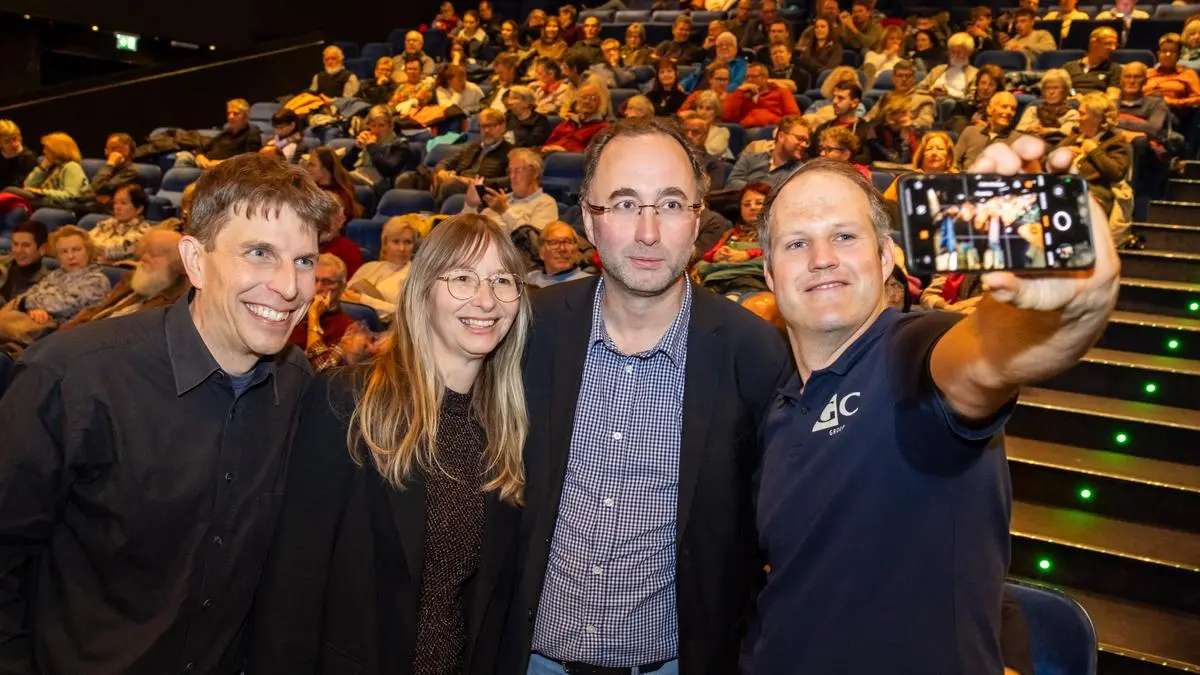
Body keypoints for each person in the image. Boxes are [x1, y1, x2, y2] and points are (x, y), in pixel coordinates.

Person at [747, 134, 1120, 672]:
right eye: (797, 244)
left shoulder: (913, 350)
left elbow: (988, 354)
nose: (822, 259)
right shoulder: (778, 407)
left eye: (844, 236)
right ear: (769, 274)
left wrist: (1062, 308)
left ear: (885, 258)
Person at [0, 153, 338, 673]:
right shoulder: (72, 379)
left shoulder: (300, 388)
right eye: (259, 253)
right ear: (196, 261)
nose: (290, 287)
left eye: (305, 261)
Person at [502, 115, 790, 675]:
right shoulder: (527, 332)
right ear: (589, 218)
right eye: (626, 204)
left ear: (698, 217)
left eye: (672, 204)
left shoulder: (754, 352)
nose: (649, 232)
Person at [247, 214, 531, 674]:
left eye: (502, 280)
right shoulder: (349, 401)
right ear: (422, 292)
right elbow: (292, 581)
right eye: (461, 277)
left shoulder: (509, 425)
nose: (486, 299)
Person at [62, 229, 191, 329]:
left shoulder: (178, 301)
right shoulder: (133, 279)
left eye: (153, 254)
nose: (144, 258)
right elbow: (100, 309)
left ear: (176, 264)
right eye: (144, 252)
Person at [8, 226, 110, 326]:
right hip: (39, 327)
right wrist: (33, 309)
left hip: (69, 335)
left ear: (88, 251)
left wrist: (26, 303)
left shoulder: (97, 280)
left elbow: (61, 305)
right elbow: (28, 294)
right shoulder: (56, 274)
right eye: (64, 252)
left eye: (76, 250)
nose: (70, 256)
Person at [1055, 92, 1132, 224]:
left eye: (1083, 114)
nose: (1078, 118)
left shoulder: (1115, 142)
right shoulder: (1073, 140)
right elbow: (1046, 162)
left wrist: (1093, 151)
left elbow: (1116, 172)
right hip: (1064, 191)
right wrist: (1063, 152)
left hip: (1094, 195)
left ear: (1099, 118)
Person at [287, 253, 356, 371]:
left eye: (327, 282)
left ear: (342, 287)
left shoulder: (349, 330)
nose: (318, 288)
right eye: (314, 280)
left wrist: (313, 318)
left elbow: (322, 370)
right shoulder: (288, 313)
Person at [462, 147, 559, 231]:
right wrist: (470, 206)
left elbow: (533, 241)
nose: (512, 176)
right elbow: (467, 232)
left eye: (518, 170)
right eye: (510, 171)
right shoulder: (500, 199)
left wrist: (505, 211)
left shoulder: (546, 203)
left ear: (535, 173)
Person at [342, 216, 418, 318]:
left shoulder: (415, 278)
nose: (402, 248)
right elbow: (344, 295)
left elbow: (405, 315)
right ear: (385, 244)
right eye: (396, 241)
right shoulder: (368, 267)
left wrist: (362, 299)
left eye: (407, 242)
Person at [342, 105, 412, 195]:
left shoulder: (400, 145)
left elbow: (387, 170)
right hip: (359, 174)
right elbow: (344, 166)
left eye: (381, 125)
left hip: (379, 183)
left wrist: (371, 146)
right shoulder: (367, 139)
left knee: (343, 181)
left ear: (390, 126)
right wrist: (356, 148)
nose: (376, 130)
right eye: (373, 125)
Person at [174, 99, 263, 169]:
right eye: (229, 113)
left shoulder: (252, 134)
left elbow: (249, 160)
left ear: (246, 116)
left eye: (236, 113)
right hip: (205, 164)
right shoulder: (226, 132)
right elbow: (202, 148)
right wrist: (200, 157)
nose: (230, 117)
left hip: (226, 169)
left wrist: (221, 163)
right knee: (183, 156)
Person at [728, 114, 810, 190]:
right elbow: (731, 184)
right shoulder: (750, 158)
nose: (804, 144)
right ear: (781, 136)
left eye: (806, 141)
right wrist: (757, 190)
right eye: (800, 139)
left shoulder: (799, 172)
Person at [8, 132, 89, 209]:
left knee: (10, 190)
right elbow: (28, 185)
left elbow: (71, 195)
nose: (43, 151)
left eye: (47, 148)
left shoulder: (71, 167)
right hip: (43, 200)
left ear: (58, 150)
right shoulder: (51, 166)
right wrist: (41, 168)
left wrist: (41, 192)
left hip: (59, 203)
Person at [863, 60, 937, 132]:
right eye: (900, 75)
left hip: (907, 138)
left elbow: (927, 123)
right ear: (893, 78)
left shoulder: (925, 100)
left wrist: (911, 123)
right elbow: (869, 118)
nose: (904, 79)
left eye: (908, 76)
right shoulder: (886, 97)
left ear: (914, 79)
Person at [725, 62, 801, 129]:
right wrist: (739, 91)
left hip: (773, 129)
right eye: (747, 77)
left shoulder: (781, 92)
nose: (749, 80)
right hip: (745, 131)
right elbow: (728, 118)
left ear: (765, 78)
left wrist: (771, 120)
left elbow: (794, 118)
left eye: (754, 76)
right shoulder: (742, 94)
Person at [90, 184, 153, 265]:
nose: (117, 207)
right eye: (115, 203)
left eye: (123, 203)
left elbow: (113, 253)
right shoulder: (105, 224)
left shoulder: (145, 233)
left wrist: (90, 250)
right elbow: (84, 242)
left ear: (139, 209)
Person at [955, 91, 1020, 168]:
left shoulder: (1017, 139)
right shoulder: (970, 131)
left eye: (1013, 109)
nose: (1009, 111)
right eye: (1004, 106)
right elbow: (955, 161)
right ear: (990, 109)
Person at [813, 82, 870, 165]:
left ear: (854, 103)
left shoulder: (866, 129)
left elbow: (866, 159)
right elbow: (812, 155)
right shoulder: (823, 128)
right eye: (834, 97)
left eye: (840, 98)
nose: (834, 101)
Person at [1016, 69, 1080, 143]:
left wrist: (1047, 130)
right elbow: (1018, 132)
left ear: (1065, 91)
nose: (1051, 92)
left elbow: (1067, 134)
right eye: (1047, 88)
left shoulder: (1072, 114)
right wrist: (1030, 129)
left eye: (1056, 88)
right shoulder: (1032, 110)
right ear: (1043, 91)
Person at [542, 84, 610, 153]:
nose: (587, 101)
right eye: (584, 97)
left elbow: (593, 154)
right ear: (577, 101)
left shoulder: (602, 128)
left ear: (599, 104)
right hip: (550, 155)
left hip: (572, 160)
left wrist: (565, 151)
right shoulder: (568, 122)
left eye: (593, 99)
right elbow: (549, 142)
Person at [308, 145, 363, 227]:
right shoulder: (313, 187)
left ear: (325, 169)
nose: (308, 168)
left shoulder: (339, 197)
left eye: (312, 165)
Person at [915, 32, 979, 103]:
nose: (955, 55)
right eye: (952, 52)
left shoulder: (975, 74)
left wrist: (948, 94)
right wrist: (930, 90)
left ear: (969, 52)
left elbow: (972, 99)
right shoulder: (938, 69)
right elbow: (918, 89)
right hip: (930, 102)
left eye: (959, 52)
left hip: (955, 109)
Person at [525, 220, 591, 287]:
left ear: (576, 250)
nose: (562, 249)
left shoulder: (590, 284)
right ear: (541, 251)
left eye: (568, 242)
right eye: (554, 242)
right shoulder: (529, 281)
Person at [1145, 33, 1200, 112]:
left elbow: (1198, 99)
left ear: (1178, 55)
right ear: (1158, 54)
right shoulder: (1148, 73)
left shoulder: (1188, 74)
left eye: (1173, 51)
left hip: (1171, 111)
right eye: (1164, 51)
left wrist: (1172, 102)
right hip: (1144, 108)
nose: (1168, 54)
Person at [1065, 27, 1122, 99]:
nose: (1113, 48)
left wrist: (1084, 100)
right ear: (1094, 42)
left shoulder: (1114, 69)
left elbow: (1112, 98)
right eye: (1108, 43)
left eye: (1115, 44)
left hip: (1097, 107)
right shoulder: (1069, 66)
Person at [0, 220, 49, 303]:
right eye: (15, 244)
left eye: (26, 245)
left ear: (42, 249)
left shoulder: (47, 284)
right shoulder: (3, 264)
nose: (18, 250)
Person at [865, 95, 920, 165]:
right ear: (891, 114)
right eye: (904, 112)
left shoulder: (912, 130)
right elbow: (899, 162)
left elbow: (918, 160)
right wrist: (905, 138)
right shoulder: (875, 131)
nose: (910, 115)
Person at [90, 132, 141, 201]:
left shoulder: (132, 170)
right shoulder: (111, 167)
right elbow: (94, 188)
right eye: (107, 149)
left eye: (113, 149)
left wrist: (110, 164)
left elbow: (100, 188)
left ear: (126, 150)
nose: (106, 153)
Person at [795, 17, 844, 83]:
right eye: (817, 27)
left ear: (829, 29)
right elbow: (802, 64)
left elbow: (831, 67)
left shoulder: (837, 47)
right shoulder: (810, 46)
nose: (819, 29)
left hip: (827, 80)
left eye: (823, 27)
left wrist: (814, 68)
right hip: (809, 80)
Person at [0, 119, 36, 189]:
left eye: (15, 139)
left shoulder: (28, 157)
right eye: (7, 141)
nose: (13, 144)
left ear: (20, 137)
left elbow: (22, 185)